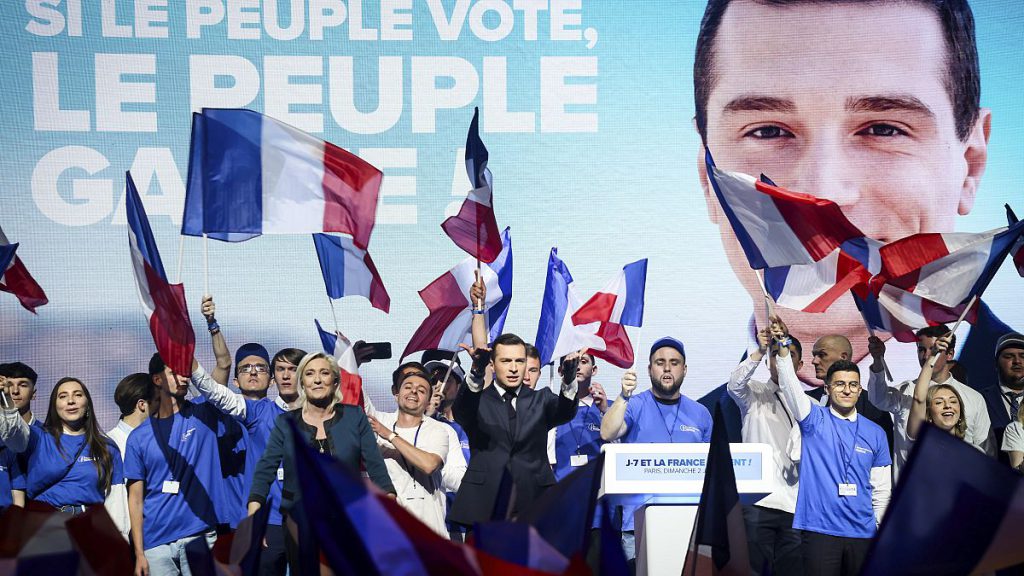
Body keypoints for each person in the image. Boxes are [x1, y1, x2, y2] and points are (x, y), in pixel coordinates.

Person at [693, 0, 1010, 444]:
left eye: (883, 128)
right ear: (709, 180)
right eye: (768, 131)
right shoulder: (688, 442)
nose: (825, 195)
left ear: (971, 164)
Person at [247, 351, 395, 574]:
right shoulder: (286, 422)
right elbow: (265, 470)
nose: (317, 379)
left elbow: (377, 469)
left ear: (335, 381)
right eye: (309, 374)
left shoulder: (355, 417)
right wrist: (254, 517)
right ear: (302, 383)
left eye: (324, 373)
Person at [774, 324, 891, 576]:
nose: (846, 389)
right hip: (820, 531)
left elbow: (881, 488)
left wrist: (880, 531)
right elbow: (788, 383)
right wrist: (782, 344)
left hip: (863, 532)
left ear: (860, 390)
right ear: (827, 388)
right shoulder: (813, 418)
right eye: (839, 384)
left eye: (852, 385)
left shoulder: (876, 432)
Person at [601, 337, 712, 565]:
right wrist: (623, 396)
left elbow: (710, 470)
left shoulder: (701, 413)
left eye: (674, 362)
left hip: (690, 523)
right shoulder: (635, 404)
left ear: (685, 369)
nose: (667, 368)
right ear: (650, 369)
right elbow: (608, 433)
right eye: (660, 362)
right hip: (639, 523)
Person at [449, 333, 578, 527]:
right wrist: (476, 371)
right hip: (484, 505)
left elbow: (565, 412)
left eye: (519, 361)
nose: (513, 368)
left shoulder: (542, 399)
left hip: (534, 502)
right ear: (492, 364)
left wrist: (568, 380)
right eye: (506, 361)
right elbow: (462, 411)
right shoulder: (477, 401)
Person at [125, 355, 231, 576]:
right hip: (156, 542)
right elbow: (135, 499)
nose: (183, 378)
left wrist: (211, 324)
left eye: (185, 372)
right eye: (175, 372)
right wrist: (139, 553)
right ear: (157, 379)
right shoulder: (138, 437)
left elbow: (224, 365)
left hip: (198, 534)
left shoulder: (204, 413)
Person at [727, 322, 803, 576]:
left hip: (794, 505)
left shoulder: (810, 406)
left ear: (800, 365)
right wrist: (759, 351)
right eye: (776, 353)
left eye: (789, 354)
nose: (781, 358)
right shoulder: (754, 394)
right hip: (757, 502)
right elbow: (734, 385)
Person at [0, 377, 125, 530]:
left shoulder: (107, 447)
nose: (70, 401)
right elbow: (13, 435)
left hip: (91, 530)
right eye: (63, 396)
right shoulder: (37, 437)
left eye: (78, 395)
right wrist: (6, 398)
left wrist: (117, 544)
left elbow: (117, 503)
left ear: (88, 404)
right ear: (55, 405)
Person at [867, 325, 991, 478]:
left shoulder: (973, 398)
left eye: (933, 350)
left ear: (950, 354)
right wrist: (878, 360)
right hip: (911, 492)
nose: (926, 356)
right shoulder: (906, 391)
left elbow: (985, 449)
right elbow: (878, 398)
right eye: (921, 350)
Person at [366, 370, 450, 537]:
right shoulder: (379, 422)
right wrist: (353, 359)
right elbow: (356, 393)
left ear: (428, 402)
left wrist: (390, 436)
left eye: (421, 390)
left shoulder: (437, 430)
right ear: (397, 394)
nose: (413, 391)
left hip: (428, 529)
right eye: (408, 387)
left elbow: (429, 465)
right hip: (388, 527)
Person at [107, 372, 157, 540]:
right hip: (123, 539)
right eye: (158, 400)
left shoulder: (158, 441)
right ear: (142, 405)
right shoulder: (108, 445)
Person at [548, 353, 608, 481]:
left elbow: (620, 449)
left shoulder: (609, 408)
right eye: (572, 362)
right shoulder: (551, 408)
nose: (578, 367)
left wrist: (605, 411)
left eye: (584, 361)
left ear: (594, 370)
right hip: (561, 489)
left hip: (598, 488)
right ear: (560, 371)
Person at [907, 334, 969, 442]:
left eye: (953, 401)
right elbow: (919, 398)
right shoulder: (920, 440)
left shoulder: (976, 452)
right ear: (929, 414)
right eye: (939, 402)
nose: (948, 406)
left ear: (961, 414)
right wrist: (933, 356)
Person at [980, 332, 1024, 457]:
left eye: (1023, 356)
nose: (1017, 361)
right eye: (1009, 356)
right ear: (996, 364)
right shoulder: (980, 399)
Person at [0, 362, 41, 426]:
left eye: (23, 385)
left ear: (33, 393)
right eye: (8, 385)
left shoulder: (49, 434)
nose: (15, 391)